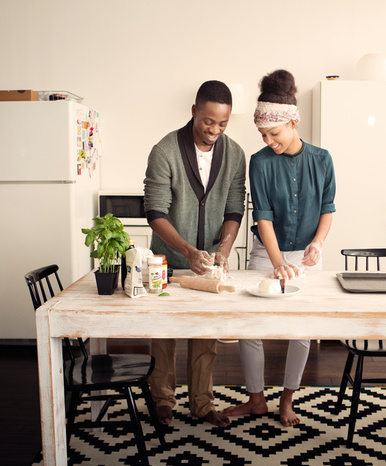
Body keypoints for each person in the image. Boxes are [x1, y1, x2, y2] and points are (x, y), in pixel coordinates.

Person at [221, 69, 336, 427]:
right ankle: (257, 400)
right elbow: (264, 218)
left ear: (293, 122)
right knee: (249, 325)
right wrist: (276, 263)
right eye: (263, 134)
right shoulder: (260, 162)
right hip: (265, 253)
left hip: (304, 257)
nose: (269, 140)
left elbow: (327, 209)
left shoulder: (322, 159)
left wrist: (317, 243)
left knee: (301, 330)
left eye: (274, 133)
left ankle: (287, 400)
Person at [143, 80, 246, 427]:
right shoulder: (164, 151)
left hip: (208, 265)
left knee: (205, 333)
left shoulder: (235, 155)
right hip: (169, 261)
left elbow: (234, 208)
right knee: (164, 333)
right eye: (208, 122)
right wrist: (186, 250)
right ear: (194, 112)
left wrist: (224, 250)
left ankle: (202, 403)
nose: (215, 130)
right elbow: (155, 211)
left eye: (223, 124)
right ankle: (163, 401)